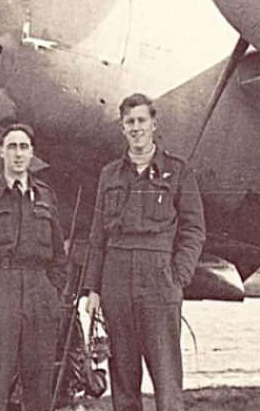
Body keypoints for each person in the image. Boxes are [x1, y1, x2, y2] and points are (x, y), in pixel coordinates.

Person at [82, 93, 206, 411]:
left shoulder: (178, 172)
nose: (136, 128)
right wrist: (93, 288)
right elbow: (98, 235)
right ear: (122, 128)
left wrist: (177, 277)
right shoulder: (109, 175)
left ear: (153, 123)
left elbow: (194, 230)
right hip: (116, 282)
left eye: (141, 121)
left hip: (159, 282)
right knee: (123, 379)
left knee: (166, 379)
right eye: (129, 122)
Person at [0, 123, 67, 411]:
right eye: (11, 147)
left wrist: (53, 293)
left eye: (23, 147)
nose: (18, 154)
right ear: (1, 152)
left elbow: (60, 253)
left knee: (39, 386)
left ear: (32, 153)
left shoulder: (45, 196)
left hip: (39, 293)